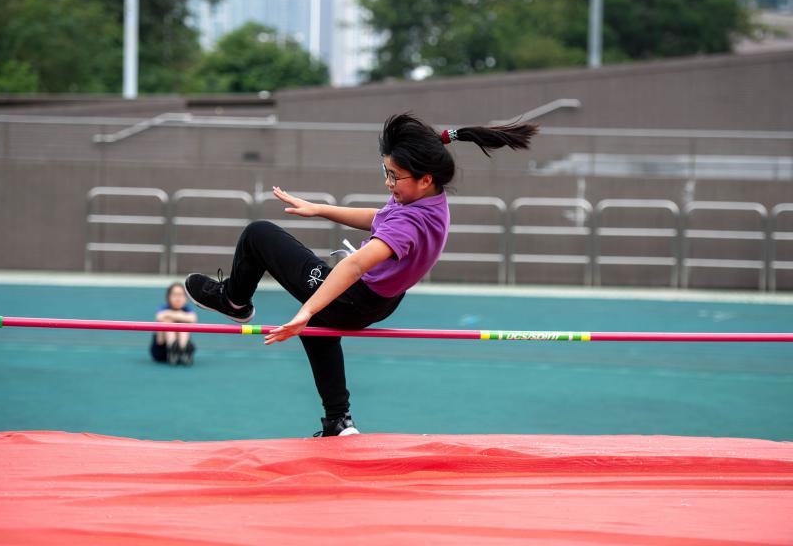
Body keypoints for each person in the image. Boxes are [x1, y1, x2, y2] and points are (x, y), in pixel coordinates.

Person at [184, 113, 537, 436]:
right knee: (319, 331)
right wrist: (320, 209)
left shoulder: (410, 221)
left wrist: (304, 313)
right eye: (385, 172)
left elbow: (354, 266)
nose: (387, 183)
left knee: (258, 234)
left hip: (355, 298)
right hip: (381, 301)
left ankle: (234, 300)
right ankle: (338, 420)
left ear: (425, 178)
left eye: (393, 176)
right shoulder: (426, 201)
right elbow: (378, 218)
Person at [150, 282, 198, 366]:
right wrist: (179, 315)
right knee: (167, 321)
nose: (178, 298)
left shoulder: (187, 309)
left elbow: (193, 318)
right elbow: (159, 316)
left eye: (181, 295)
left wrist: (172, 315)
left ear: (186, 298)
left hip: (182, 345)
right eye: (175, 294)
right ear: (169, 297)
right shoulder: (164, 307)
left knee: (184, 323)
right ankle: (172, 351)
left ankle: (182, 351)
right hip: (161, 349)